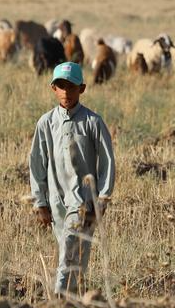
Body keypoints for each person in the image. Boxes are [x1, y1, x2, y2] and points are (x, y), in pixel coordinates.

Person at [29, 61, 116, 295]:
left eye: (71, 86)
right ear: (53, 89)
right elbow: (37, 164)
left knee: (69, 249)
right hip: (56, 202)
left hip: (83, 203)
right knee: (75, 257)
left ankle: (58, 302)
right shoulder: (46, 123)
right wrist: (40, 202)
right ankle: (74, 306)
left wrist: (103, 198)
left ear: (82, 89)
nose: (66, 91)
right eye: (61, 86)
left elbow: (107, 162)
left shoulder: (92, 122)